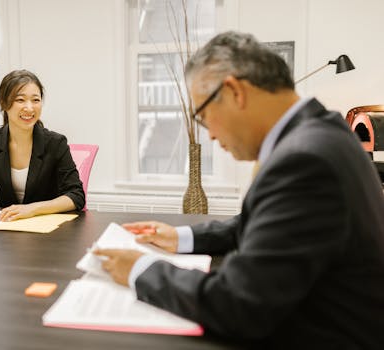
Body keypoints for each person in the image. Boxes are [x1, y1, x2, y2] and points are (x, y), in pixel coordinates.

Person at [95, 31, 384, 348]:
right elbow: (269, 223)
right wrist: (181, 237)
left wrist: (140, 269)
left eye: (204, 118)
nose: (210, 136)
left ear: (234, 92)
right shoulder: (323, 131)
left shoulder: (304, 160)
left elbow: (239, 303)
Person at [0, 69, 84, 221]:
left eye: (35, 100)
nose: (29, 108)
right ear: (3, 103)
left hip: (47, 228)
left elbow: (76, 195)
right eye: (20, 100)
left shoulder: (56, 143)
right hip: (7, 226)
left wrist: (32, 209)